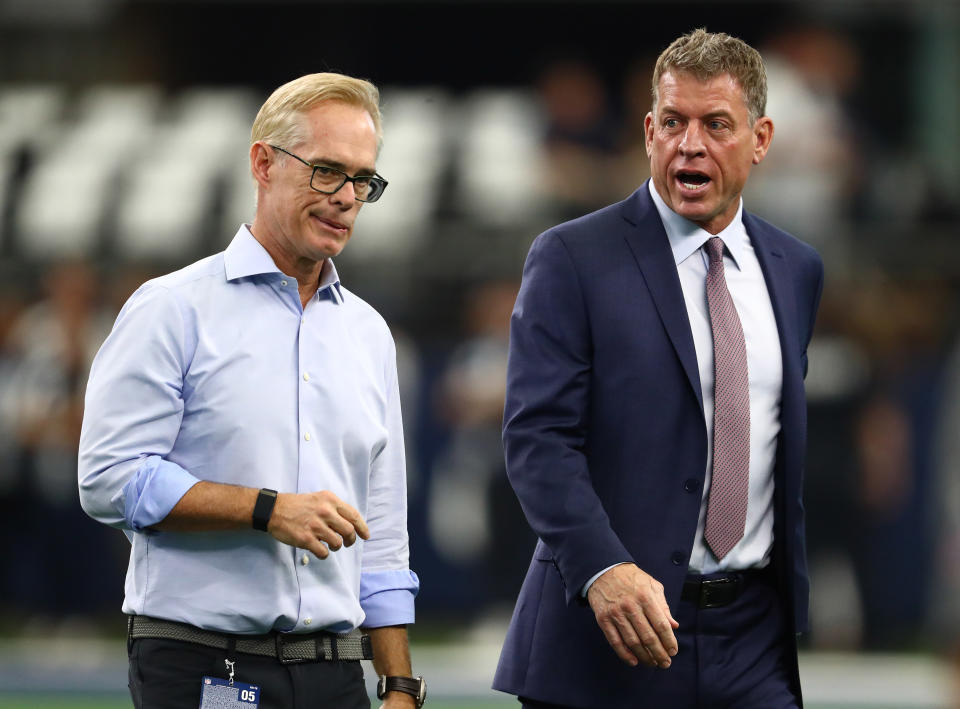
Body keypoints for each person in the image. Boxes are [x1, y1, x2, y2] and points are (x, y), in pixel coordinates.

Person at [493, 29, 824, 709]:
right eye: (673, 122)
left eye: (717, 125)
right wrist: (604, 569)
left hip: (753, 641)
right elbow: (537, 439)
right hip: (609, 637)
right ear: (649, 131)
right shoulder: (572, 258)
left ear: (760, 140)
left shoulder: (797, 270)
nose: (690, 144)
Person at [79, 73, 426, 709]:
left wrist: (400, 685)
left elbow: (382, 531)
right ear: (263, 163)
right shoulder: (171, 309)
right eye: (326, 171)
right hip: (198, 661)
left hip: (337, 671)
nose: (347, 197)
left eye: (362, 179)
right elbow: (107, 478)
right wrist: (266, 508)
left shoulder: (370, 334)